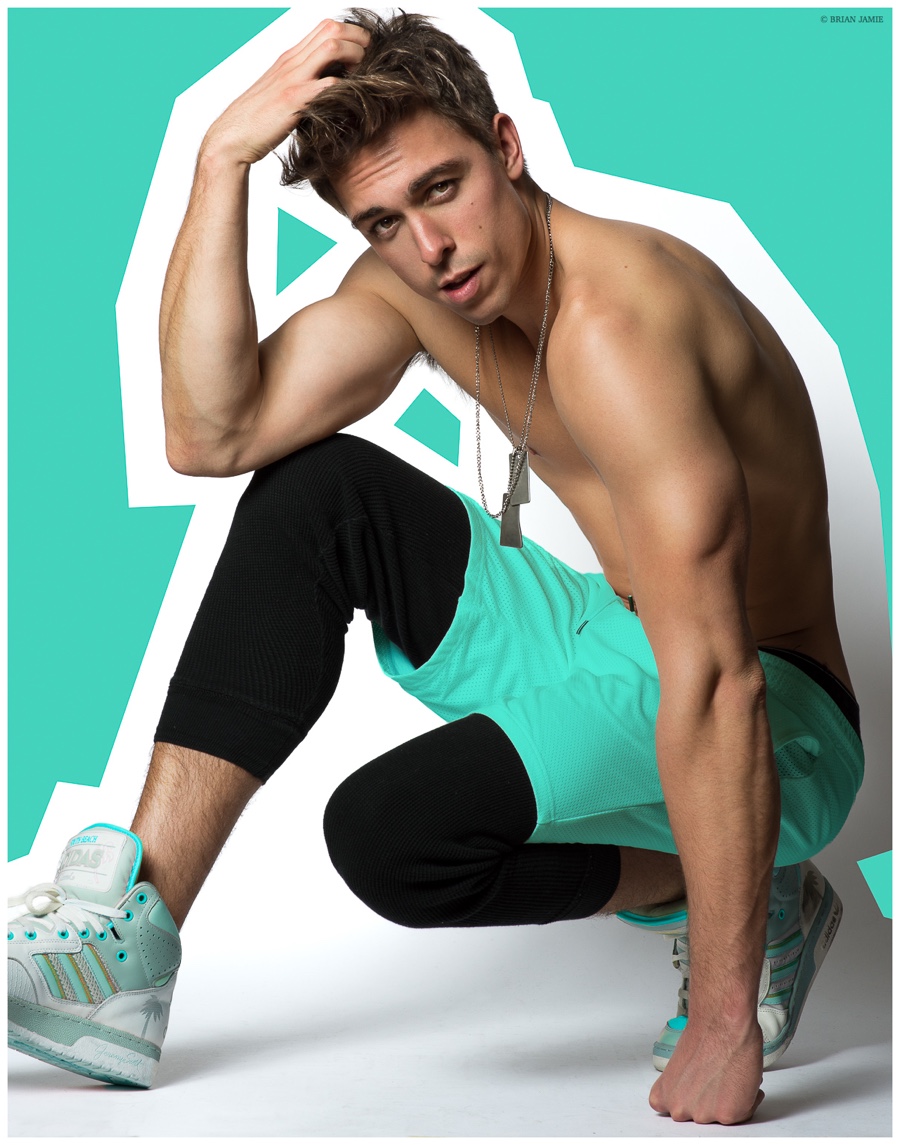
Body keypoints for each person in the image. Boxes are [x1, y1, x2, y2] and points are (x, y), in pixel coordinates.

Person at [8, 9, 863, 1125]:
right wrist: (216, 160)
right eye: (383, 221)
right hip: (613, 628)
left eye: (443, 189)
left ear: (506, 146)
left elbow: (716, 681)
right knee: (317, 493)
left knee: (392, 835)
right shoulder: (417, 285)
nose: (429, 247)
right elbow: (210, 434)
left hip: (777, 712)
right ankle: (131, 947)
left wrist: (723, 1020)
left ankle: (752, 903)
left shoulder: (620, 328)